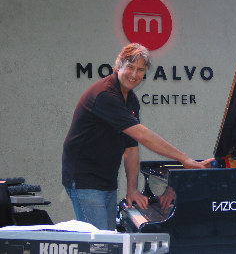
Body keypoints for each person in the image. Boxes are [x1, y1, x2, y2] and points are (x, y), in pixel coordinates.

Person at [62, 43, 213, 230]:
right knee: (98, 244)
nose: (134, 74)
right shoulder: (105, 95)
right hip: (85, 180)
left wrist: (132, 189)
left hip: (106, 180)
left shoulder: (130, 99)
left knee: (109, 239)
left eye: (140, 70)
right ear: (118, 66)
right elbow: (142, 135)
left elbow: (131, 147)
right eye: (130, 67)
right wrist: (183, 158)